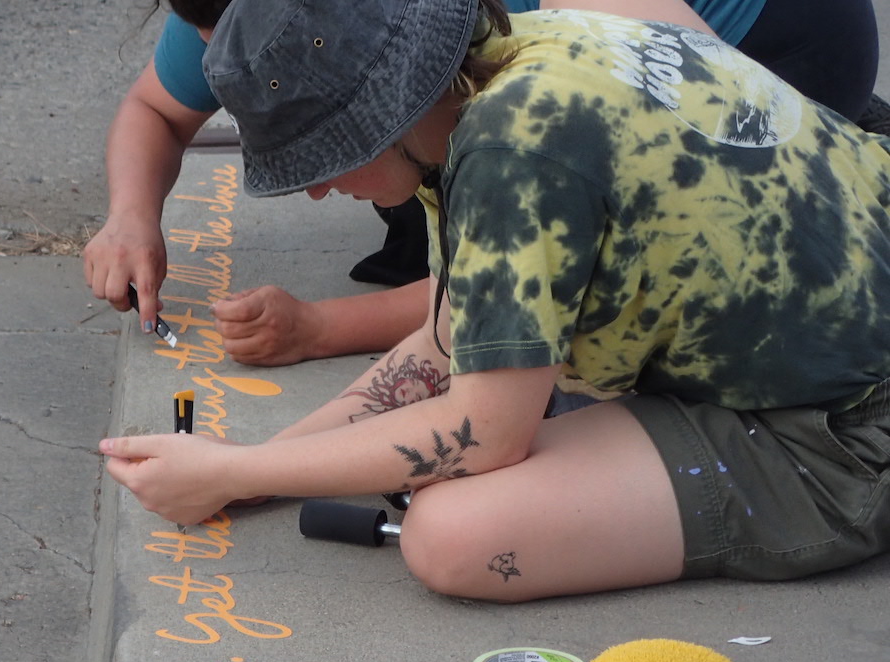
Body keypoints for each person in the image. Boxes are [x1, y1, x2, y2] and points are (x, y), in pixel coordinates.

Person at [99, 0, 890, 603]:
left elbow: (481, 430)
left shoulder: (515, 154)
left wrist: (248, 470)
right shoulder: (505, 71)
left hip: (847, 430)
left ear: (382, 117)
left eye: (324, 155)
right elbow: (448, 345)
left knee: (454, 536)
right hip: (844, 321)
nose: (314, 189)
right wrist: (242, 473)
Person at [84, 0, 881, 365]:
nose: (314, 192)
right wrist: (128, 216)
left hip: (784, 41)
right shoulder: (268, 28)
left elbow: (515, 297)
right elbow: (153, 108)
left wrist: (323, 329)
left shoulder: (525, 126)